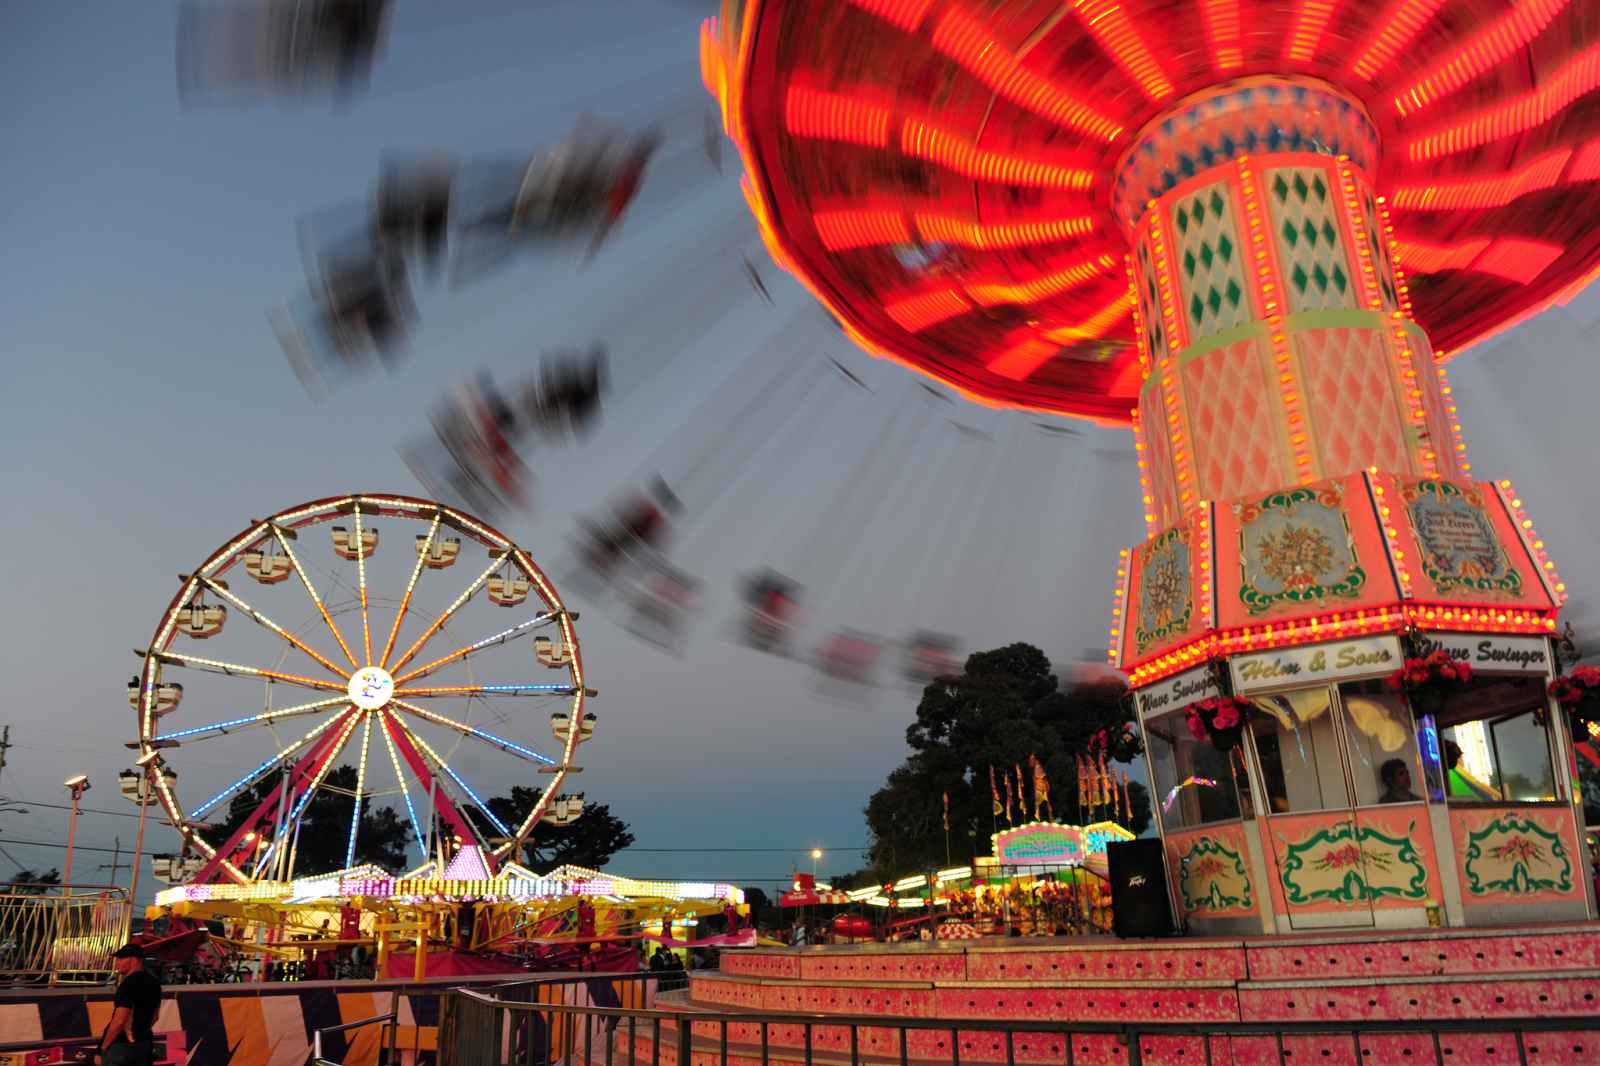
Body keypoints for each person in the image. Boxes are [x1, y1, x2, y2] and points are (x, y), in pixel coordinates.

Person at [97, 944, 161, 1066]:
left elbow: (120, 1021)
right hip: (145, 1045)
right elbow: (155, 1016)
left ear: (133, 960)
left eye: (121, 959)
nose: (117, 963)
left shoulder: (128, 984)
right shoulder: (154, 983)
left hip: (124, 1048)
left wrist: (102, 1049)